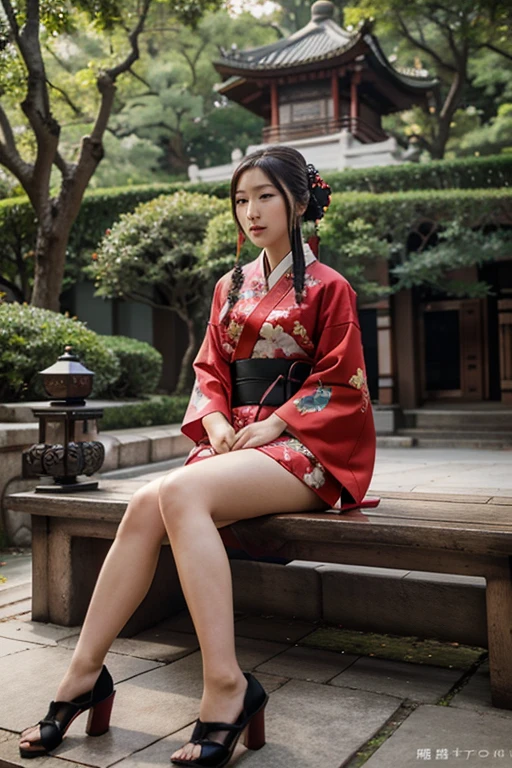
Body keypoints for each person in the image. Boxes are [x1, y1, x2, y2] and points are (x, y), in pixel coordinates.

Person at [18, 145, 376, 766]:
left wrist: (278, 423)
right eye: (241, 200)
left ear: (298, 202)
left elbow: (342, 380)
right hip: (235, 440)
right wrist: (212, 419)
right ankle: (82, 676)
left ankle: (226, 685)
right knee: (145, 503)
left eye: (265, 196)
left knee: (179, 491)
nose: (251, 211)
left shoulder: (330, 287)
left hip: (306, 448)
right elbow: (210, 369)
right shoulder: (228, 287)